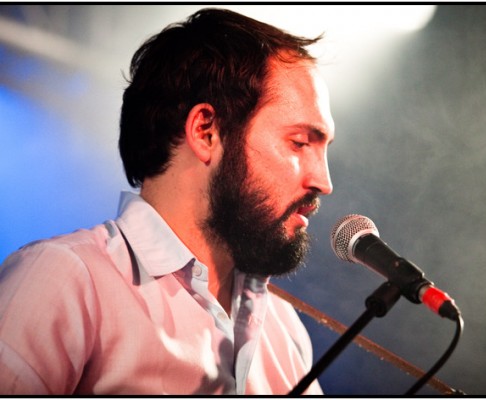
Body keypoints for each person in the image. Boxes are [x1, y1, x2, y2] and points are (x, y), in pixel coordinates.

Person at [0, 8, 334, 395]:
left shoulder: (284, 329)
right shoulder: (64, 280)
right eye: (300, 143)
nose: (324, 182)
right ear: (206, 132)